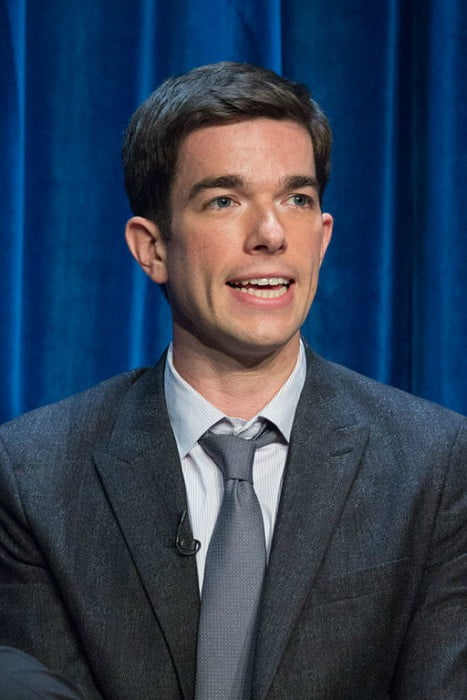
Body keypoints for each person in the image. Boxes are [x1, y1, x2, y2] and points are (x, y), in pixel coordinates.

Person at [0, 61, 465, 699]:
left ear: (322, 238)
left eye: (296, 199)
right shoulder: (32, 474)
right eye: (225, 200)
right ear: (152, 248)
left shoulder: (437, 467)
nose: (271, 234)